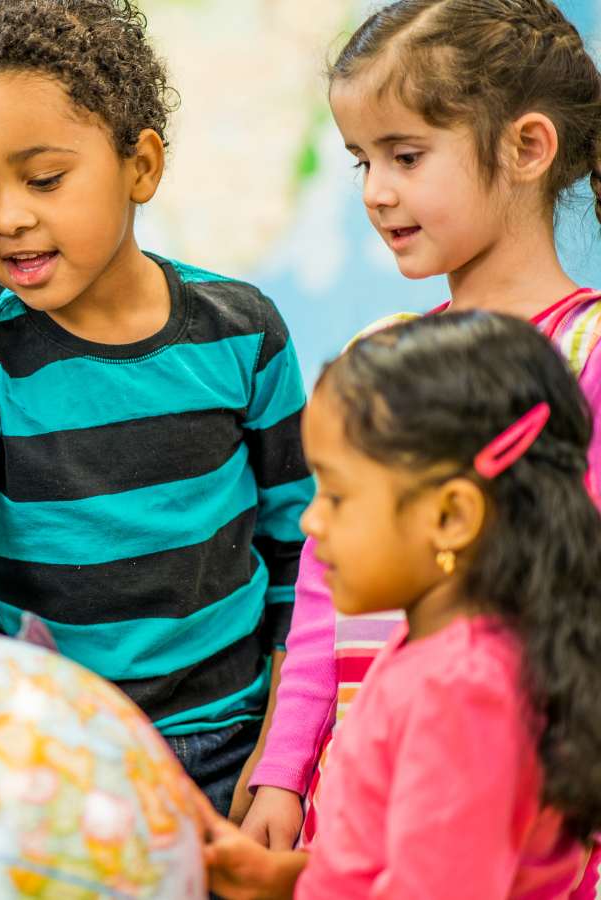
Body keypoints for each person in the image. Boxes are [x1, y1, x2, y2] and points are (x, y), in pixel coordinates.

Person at [0, 0, 312, 815]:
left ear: (141, 165)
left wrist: (284, 758)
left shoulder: (245, 335)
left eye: (45, 179)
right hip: (58, 758)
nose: (9, 217)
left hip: (241, 742)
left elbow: (298, 553)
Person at [240, 2, 601, 865]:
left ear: (526, 148)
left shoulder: (587, 352)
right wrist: (287, 768)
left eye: (406, 156)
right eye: (365, 160)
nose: (376, 190)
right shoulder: (379, 356)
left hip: (513, 805)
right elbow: (323, 581)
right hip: (360, 783)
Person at [203, 312, 601, 898]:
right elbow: (379, 865)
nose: (312, 520)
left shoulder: (464, 693)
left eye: (338, 495)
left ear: (451, 516)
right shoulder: (442, 654)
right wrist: (286, 880)